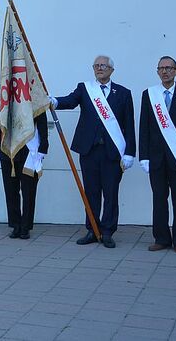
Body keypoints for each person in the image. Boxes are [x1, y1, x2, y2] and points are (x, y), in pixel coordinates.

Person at [49, 55, 136, 248]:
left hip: (112, 153)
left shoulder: (123, 93)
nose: (99, 68)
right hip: (89, 151)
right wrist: (54, 101)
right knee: (91, 192)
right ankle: (92, 229)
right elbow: (70, 101)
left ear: (112, 70)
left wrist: (130, 152)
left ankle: (107, 232)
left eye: (103, 65)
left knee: (111, 193)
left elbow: (129, 125)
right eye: (96, 66)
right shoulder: (85, 89)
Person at [139, 56, 176, 254]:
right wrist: (144, 156)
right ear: (157, 72)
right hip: (156, 159)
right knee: (159, 199)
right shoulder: (149, 95)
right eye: (161, 68)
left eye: (169, 68)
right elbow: (144, 128)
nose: (165, 71)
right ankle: (161, 238)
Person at [0, 111, 49, 239]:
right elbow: (1, 122)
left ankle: (25, 226)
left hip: (28, 151)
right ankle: (15, 224)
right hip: (8, 149)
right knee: (11, 190)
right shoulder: (9, 95)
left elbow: (42, 123)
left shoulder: (35, 97)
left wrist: (43, 147)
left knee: (28, 191)